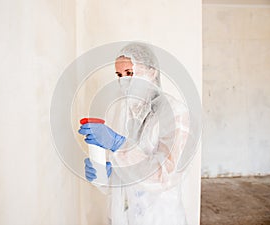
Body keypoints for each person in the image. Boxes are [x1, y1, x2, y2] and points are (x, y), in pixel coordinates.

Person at [79, 42, 190, 225]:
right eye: (119, 75)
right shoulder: (122, 111)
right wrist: (106, 176)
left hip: (159, 217)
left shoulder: (175, 113)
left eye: (130, 73)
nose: (124, 81)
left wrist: (118, 145)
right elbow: (124, 169)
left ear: (152, 72)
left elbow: (166, 175)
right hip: (122, 216)